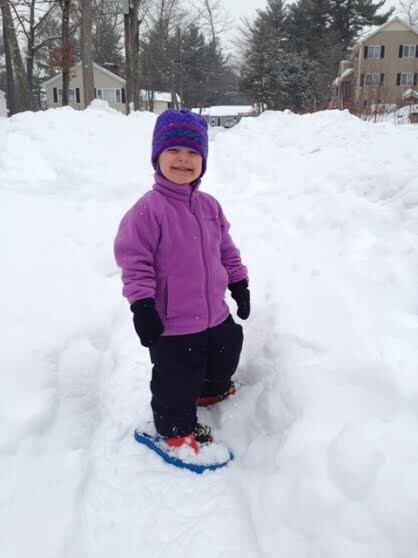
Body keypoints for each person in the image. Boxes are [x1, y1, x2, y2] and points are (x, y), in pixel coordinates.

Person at [114, 109, 250, 455]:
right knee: (176, 377)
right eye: (174, 151)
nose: (183, 160)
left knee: (228, 346)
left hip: (214, 313)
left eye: (193, 153)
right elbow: (134, 261)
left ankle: (209, 389)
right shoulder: (148, 211)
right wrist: (142, 305)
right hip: (172, 321)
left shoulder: (209, 206)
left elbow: (225, 248)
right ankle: (173, 430)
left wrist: (239, 282)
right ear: (157, 156)